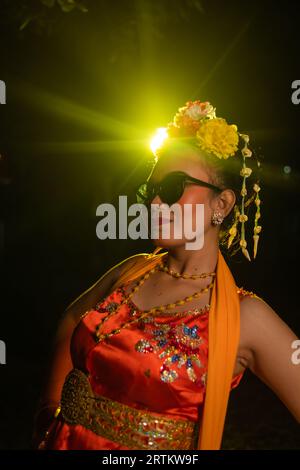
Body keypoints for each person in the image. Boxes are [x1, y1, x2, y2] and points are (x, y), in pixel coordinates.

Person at [33, 100, 300, 450]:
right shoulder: (133, 270)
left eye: (174, 188)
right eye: (151, 190)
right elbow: (71, 319)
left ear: (221, 205)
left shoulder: (247, 317)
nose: (156, 203)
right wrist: (48, 412)